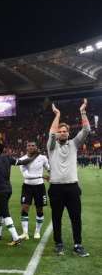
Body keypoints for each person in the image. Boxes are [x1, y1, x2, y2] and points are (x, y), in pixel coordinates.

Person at [47, 100, 90, 257]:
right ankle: (59, 244)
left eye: (65, 131)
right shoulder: (51, 147)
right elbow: (51, 133)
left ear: (68, 133)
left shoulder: (74, 144)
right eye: (60, 131)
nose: (62, 133)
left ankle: (78, 244)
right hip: (56, 187)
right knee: (56, 218)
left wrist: (82, 111)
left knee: (75, 217)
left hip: (72, 187)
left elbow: (86, 129)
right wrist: (57, 115)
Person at [0, 133, 36, 246]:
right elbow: (22, 162)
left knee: (5, 212)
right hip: (8, 189)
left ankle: (16, 238)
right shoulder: (7, 158)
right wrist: (33, 157)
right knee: (0, 211)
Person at [18, 141, 50, 240]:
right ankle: (25, 233)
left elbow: (49, 168)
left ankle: (37, 232)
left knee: (39, 209)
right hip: (27, 186)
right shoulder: (22, 159)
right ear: (26, 147)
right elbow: (26, 175)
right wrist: (41, 176)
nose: (31, 147)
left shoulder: (43, 158)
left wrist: (51, 172)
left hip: (39, 186)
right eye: (29, 146)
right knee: (24, 208)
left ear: (36, 147)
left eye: (33, 145)